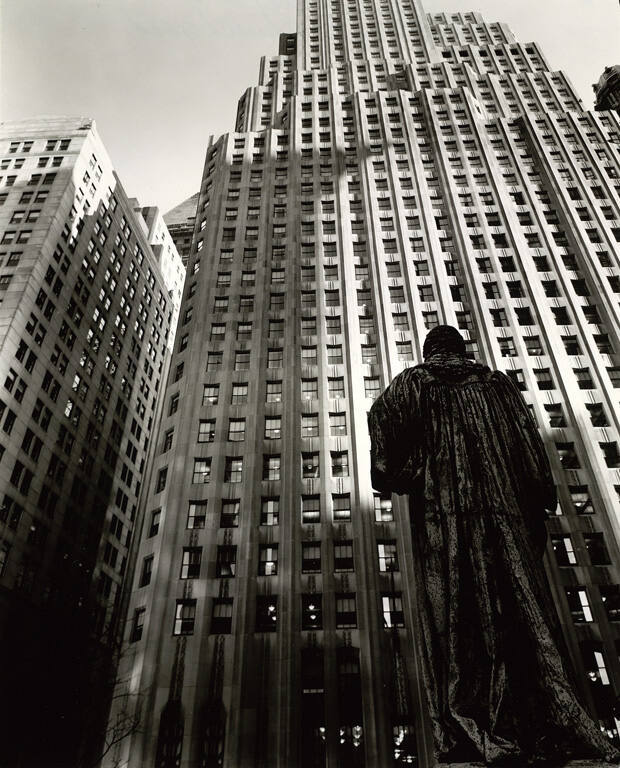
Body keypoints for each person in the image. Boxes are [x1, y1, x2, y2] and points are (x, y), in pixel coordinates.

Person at [368, 325, 619, 766]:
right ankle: (539, 723)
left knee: (457, 618)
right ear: (461, 351)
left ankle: (478, 728)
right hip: (505, 520)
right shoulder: (496, 383)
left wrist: (411, 469)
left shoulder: (410, 384)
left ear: (430, 352)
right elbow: (530, 449)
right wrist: (539, 500)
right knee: (520, 614)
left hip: (444, 525)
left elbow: (382, 448)